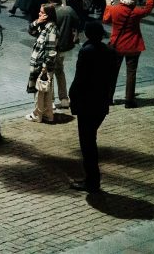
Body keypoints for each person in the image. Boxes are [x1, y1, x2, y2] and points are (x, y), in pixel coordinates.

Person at [68, 21, 116, 193]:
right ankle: (92, 179)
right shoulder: (109, 51)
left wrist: (72, 96)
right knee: (90, 140)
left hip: (87, 103)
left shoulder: (87, 51)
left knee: (87, 143)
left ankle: (92, 181)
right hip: (100, 101)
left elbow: (80, 79)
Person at [103, 0, 154, 108]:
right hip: (133, 46)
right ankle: (129, 100)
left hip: (117, 45)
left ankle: (109, 98)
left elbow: (105, 20)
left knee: (113, 72)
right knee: (131, 73)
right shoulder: (137, 12)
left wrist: (108, 5)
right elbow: (148, 9)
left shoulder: (114, 9)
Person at [48, 0, 81, 110]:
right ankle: (64, 99)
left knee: (49, 73)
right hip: (64, 46)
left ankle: (50, 100)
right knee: (60, 71)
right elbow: (77, 23)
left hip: (51, 46)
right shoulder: (68, 10)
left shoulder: (48, 10)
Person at [26, 4, 59, 122]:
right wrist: (37, 22)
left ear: (48, 14)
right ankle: (48, 114)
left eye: (41, 12)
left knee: (40, 91)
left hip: (42, 65)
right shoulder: (43, 25)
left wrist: (45, 67)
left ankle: (37, 115)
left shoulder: (51, 28)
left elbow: (51, 50)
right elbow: (31, 30)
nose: (39, 14)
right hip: (39, 63)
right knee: (45, 90)